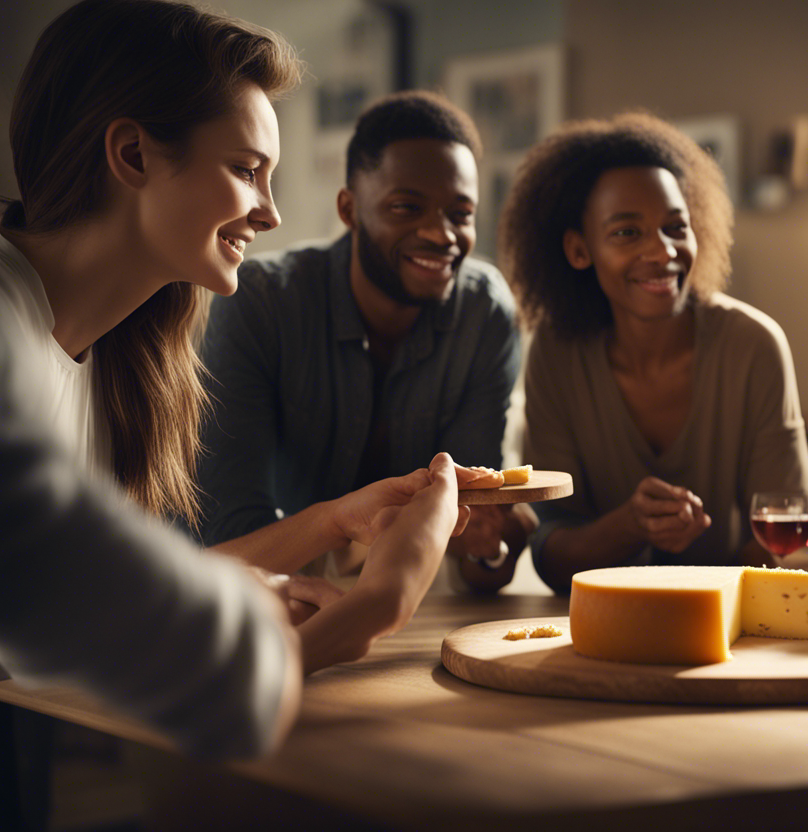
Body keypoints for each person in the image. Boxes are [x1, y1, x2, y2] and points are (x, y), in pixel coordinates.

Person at [0, 0, 466, 759]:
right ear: (133, 155)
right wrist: (382, 597)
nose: (272, 213)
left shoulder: (110, 356)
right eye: (247, 170)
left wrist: (329, 523)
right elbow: (191, 669)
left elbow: (111, 595)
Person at [498, 112, 808, 594]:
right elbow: (551, 553)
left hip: (732, 630)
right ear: (578, 249)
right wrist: (629, 527)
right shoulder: (555, 351)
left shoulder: (753, 345)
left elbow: (784, 543)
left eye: (676, 227)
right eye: (627, 232)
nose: (662, 251)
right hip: (596, 631)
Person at [197, 90, 530, 592]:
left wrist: (490, 546)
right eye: (406, 207)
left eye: (460, 214)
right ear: (349, 210)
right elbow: (227, 539)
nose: (441, 234)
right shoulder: (259, 303)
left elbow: (469, 531)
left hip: (408, 603)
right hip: (253, 601)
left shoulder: (484, 316)